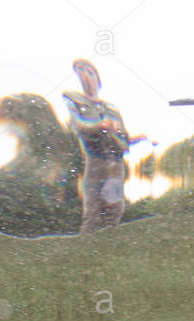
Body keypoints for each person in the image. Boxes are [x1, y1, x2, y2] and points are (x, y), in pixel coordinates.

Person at [62, 59, 136, 234]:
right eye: (79, 71)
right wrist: (100, 124)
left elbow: (123, 135)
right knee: (92, 210)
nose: (84, 75)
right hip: (96, 160)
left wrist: (134, 139)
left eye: (88, 71)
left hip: (116, 163)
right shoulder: (75, 100)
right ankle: (85, 249)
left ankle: (109, 247)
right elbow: (79, 126)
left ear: (97, 78)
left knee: (115, 208)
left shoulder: (112, 108)